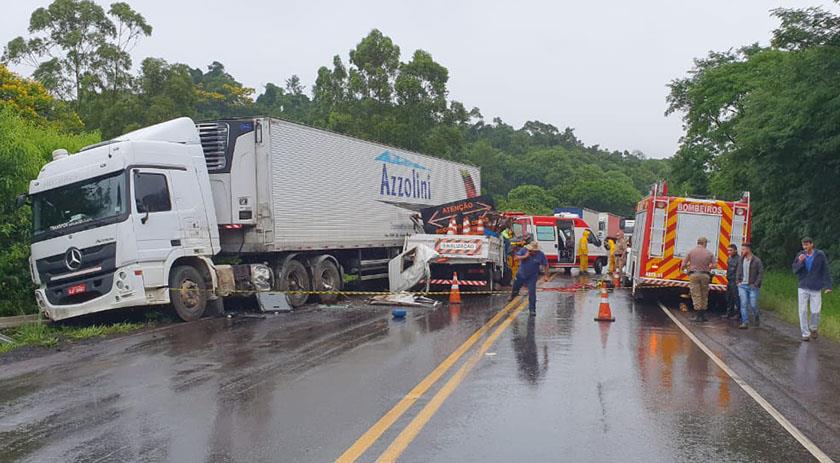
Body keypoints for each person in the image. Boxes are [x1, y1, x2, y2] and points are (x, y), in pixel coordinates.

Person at [793, 237, 833, 341]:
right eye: (803, 245)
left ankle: (813, 328)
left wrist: (828, 285)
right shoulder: (800, 255)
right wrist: (800, 262)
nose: (805, 247)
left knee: (816, 311)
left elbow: (825, 270)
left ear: (812, 244)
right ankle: (805, 334)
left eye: (807, 244)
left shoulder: (820, 255)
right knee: (802, 311)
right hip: (803, 286)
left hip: (816, 286)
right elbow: (795, 270)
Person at [509, 241, 550, 315]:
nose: (533, 253)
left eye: (534, 251)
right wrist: (525, 256)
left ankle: (532, 309)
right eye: (531, 251)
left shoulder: (540, 254)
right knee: (516, 287)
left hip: (532, 276)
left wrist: (546, 275)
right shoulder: (523, 250)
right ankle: (513, 295)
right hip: (521, 274)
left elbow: (546, 265)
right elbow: (515, 258)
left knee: (532, 292)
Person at [681, 237, 714, 322]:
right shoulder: (709, 253)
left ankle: (697, 314)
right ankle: (703, 315)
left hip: (694, 275)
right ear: (704, 243)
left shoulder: (691, 252)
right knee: (704, 294)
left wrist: (687, 268)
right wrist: (708, 266)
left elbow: (683, 264)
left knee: (696, 294)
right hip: (705, 275)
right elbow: (714, 265)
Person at [736, 243, 763, 329]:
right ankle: (745, 322)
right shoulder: (741, 259)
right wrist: (738, 281)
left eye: (743, 249)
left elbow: (760, 273)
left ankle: (756, 315)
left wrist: (756, 284)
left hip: (752, 286)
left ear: (748, 249)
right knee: (743, 304)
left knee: (753, 304)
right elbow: (738, 270)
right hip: (742, 285)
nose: (742, 251)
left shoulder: (757, 261)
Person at [725, 244, 740, 319]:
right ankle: (729, 313)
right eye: (728, 250)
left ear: (735, 250)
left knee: (736, 298)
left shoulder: (739, 259)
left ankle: (737, 314)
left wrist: (738, 280)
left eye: (731, 250)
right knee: (729, 297)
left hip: (735, 281)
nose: (729, 252)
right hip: (730, 280)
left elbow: (739, 271)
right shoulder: (729, 259)